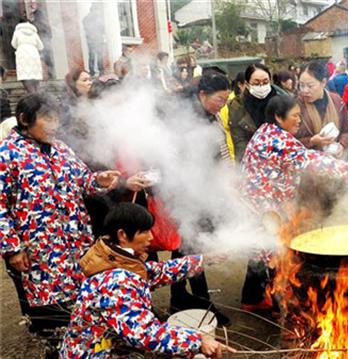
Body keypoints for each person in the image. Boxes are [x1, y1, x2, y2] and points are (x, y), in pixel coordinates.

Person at [240, 95, 348, 310]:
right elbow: (312, 161)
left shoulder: (266, 131)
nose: (299, 120)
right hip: (266, 206)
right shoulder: (278, 140)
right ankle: (281, 308)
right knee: (275, 252)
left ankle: (252, 298)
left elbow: (303, 156)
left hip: (259, 202)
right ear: (279, 117)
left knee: (260, 248)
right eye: (295, 115)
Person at [0, 93, 120, 335]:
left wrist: (99, 180)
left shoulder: (61, 149)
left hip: (76, 242)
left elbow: (83, 180)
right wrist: (12, 248)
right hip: (40, 249)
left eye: (57, 119)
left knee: (82, 305)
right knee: (52, 313)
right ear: (24, 119)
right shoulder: (6, 155)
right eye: (47, 118)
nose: (55, 125)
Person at [60, 203, 235, 358]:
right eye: (144, 232)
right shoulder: (115, 281)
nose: (151, 237)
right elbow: (144, 334)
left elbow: (156, 272)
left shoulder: (113, 257)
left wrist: (203, 260)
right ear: (122, 235)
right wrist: (197, 340)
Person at [228, 63, 286, 162]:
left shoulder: (281, 102)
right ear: (247, 84)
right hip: (252, 159)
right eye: (256, 83)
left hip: (280, 156)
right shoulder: (237, 106)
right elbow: (239, 140)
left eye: (265, 82)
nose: (261, 86)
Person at [295, 60, 348, 157]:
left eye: (310, 86)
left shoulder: (337, 101)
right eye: (301, 85)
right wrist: (311, 141)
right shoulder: (296, 105)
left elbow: (346, 130)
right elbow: (290, 140)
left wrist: (342, 144)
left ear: (323, 82)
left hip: (334, 159)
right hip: (309, 162)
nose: (305, 91)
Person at [11, 18, 44, 93]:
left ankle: (32, 94)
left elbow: (13, 44)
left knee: (25, 77)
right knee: (35, 77)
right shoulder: (34, 33)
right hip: (34, 54)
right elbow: (41, 46)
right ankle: (37, 94)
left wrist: (21, 46)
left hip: (22, 55)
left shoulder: (17, 32)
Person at [82, 2, 105, 77]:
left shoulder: (98, 18)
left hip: (98, 39)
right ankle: (93, 72)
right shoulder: (88, 18)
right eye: (96, 9)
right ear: (92, 9)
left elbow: (102, 29)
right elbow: (87, 29)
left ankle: (100, 71)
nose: (97, 11)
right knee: (93, 55)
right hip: (91, 39)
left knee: (99, 55)